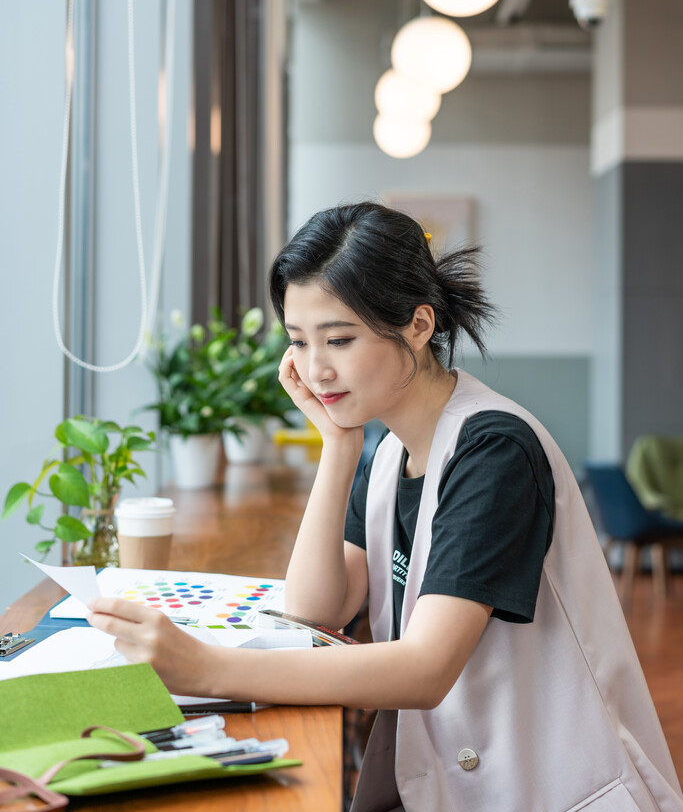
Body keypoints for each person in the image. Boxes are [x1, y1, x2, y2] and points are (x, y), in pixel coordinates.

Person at [89, 201, 683, 812]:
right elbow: (315, 607)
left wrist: (206, 669)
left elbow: (424, 670)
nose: (316, 369)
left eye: (339, 340)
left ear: (419, 326)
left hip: (557, 788)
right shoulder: (388, 453)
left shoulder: (494, 451)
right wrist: (338, 445)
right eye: (299, 342)